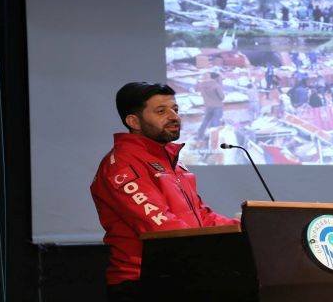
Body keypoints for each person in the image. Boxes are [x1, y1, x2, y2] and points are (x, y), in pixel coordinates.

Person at [90, 82, 238, 302]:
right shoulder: (122, 165)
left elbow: (201, 216)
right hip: (144, 284)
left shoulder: (169, 160)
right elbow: (161, 227)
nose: (174, 116)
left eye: (175, 110)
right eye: (161, 111)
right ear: (133, 121)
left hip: (183, 276)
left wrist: (243, 228)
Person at [196, 72, 225, 140]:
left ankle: (200, 136)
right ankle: (214, 139)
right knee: (216, 123)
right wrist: (220, 84)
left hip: (208, 106)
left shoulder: (202, 85)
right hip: (217, 106)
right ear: (216, 78)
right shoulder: (216, 85)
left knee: (205, 121)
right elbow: (222, 97)